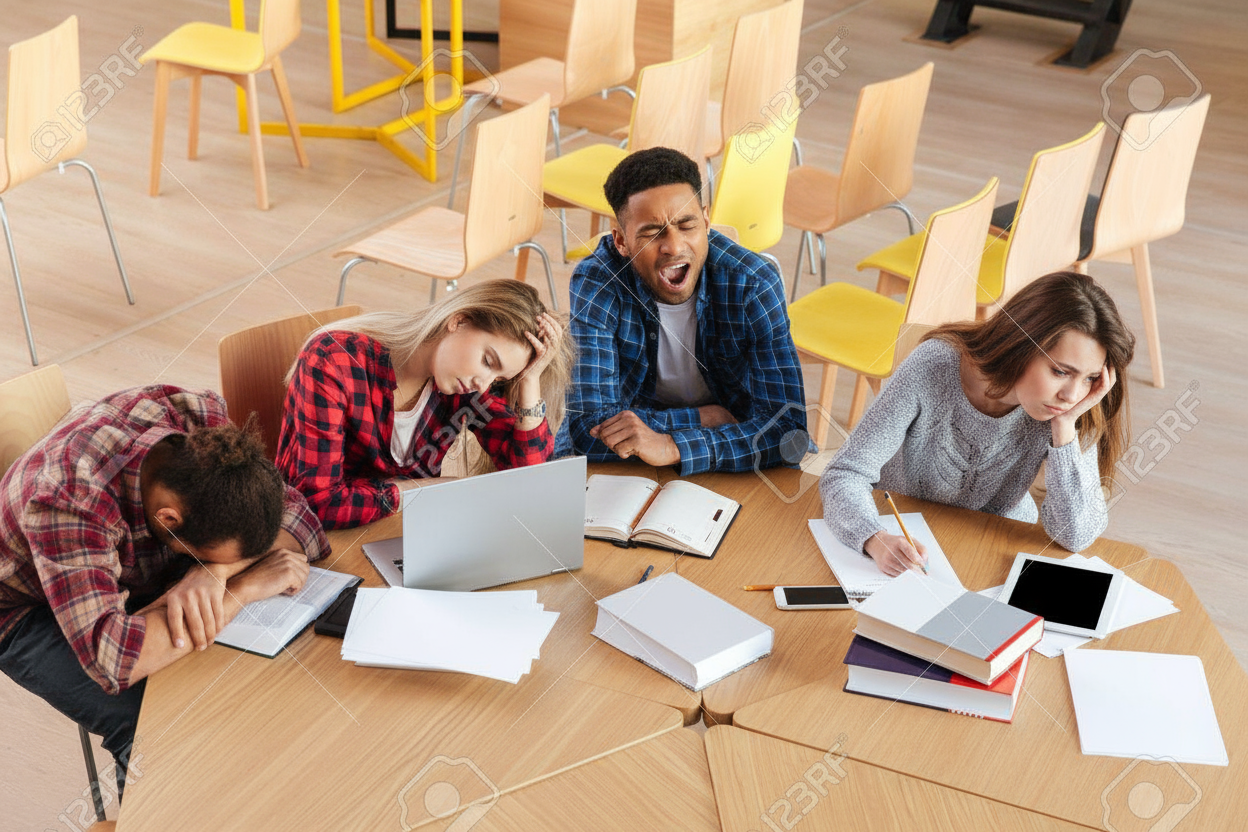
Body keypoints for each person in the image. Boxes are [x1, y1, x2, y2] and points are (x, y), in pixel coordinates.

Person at [0, 386, 329, 797]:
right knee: (152, 727)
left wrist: (215, 571)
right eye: (207, 557)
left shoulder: (199, 429)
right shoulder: (68, 500)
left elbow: (304, 523)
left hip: (122, 570)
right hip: (26, 609)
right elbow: (116, 658)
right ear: (169, 520)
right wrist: (241, 588)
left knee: (241, 683)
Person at [820, 271, 1135, 574]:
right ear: (1021, 347)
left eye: (1090, 378)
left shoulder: (1073, 408)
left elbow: (1076, 536)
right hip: (905, 535)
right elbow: (844, 473)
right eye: (1060, 371)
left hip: (992, 545)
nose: (1072, 395)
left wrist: (1065, 429)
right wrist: (874, 538)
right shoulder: (934, 366)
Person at [557, 147, 810, 475]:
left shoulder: (753, 283)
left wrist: (671, 445)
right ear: (621, 241)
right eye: (651, 233)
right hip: (662, 455)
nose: (674, 247)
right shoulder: (598, 282)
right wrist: (707, 418)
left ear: (706, 220)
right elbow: (587, 431)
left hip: (729, 458)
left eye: (687, 225)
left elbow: (789, 434)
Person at [277, 279, 573, 530]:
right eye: (487, 360)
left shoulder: (463, 388)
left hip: (401, 533)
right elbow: (319, 504)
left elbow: (526, 477)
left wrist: (530, 381)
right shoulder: (335, 360)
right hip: (321, 543)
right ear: (458, 321)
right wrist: (422, 489)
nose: (484, 384)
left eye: (498, 379)